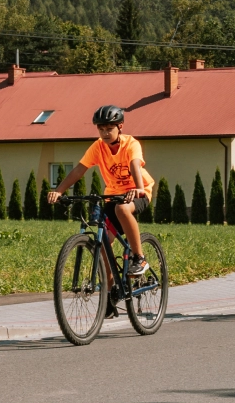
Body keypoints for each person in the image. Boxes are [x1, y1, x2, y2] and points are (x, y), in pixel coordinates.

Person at [47, 104, 155, 275]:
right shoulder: (98, 147)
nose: (105, 133)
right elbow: (79, 169)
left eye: (110, 129)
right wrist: (59, 191)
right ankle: (110, 292)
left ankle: (139, 258)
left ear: (120, 127)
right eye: (101, 129)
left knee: (123, 208)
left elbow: (134, 164)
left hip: (139, 192)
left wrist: (139, 188)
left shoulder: (130, 144)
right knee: (103, 241)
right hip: (113, 195)